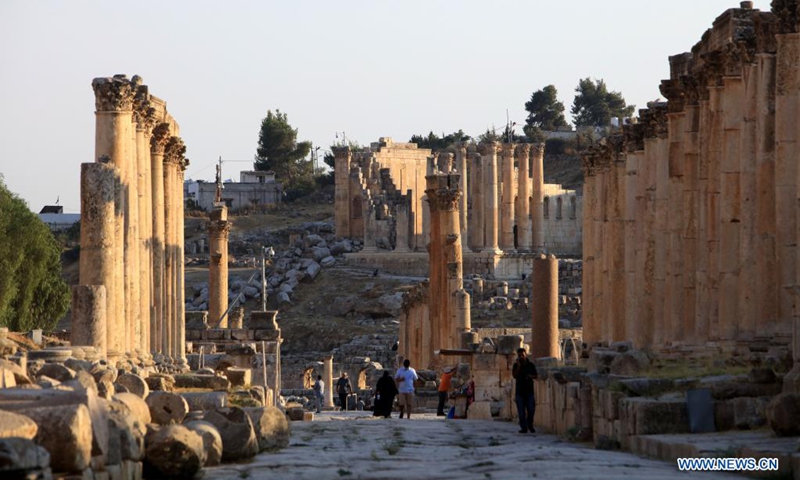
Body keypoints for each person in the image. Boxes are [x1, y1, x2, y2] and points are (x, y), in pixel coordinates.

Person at [512, 347, 538, 433]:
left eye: (522, 355)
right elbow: (514, 376)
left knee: (531, 410)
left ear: (525, 354)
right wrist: (519, 366)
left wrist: (531, 376)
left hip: (529, 391)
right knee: (521, 412)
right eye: (519, 355)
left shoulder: (531, 365)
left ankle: (530, 424)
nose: (521, 357)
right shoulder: (516, 365)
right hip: (519, 392)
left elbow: (536, 375)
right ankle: (523, 428)